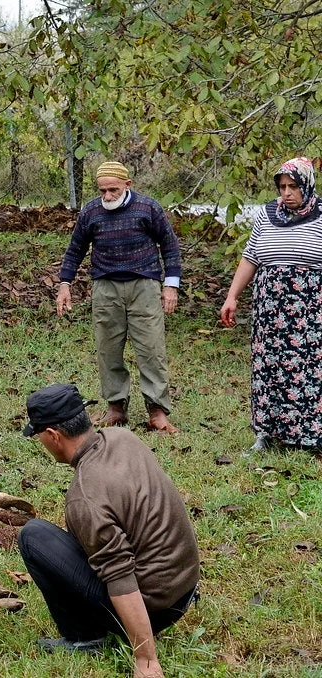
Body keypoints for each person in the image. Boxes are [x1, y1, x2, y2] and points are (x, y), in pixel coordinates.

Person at [18, 383, 200, 678]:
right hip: (184, 589)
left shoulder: (85, 497)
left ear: (53, 435)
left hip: (154, 607)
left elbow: (119, 575)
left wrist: (146, 660)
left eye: (38, 436)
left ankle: (85, 636)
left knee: (34, 536)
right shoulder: (122, 438)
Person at [56, 161, 182, 433]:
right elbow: (75, 248)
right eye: (103, 190)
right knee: (108, 349)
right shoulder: (91, 211)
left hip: (144, 285)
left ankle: (157, 411)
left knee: (151, 349)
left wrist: (170, 286)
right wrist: (64, 283)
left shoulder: (148, 207)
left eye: (113, 189)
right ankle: (115, 407)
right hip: (106, 287)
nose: (108, 196)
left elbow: (169, 245)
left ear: (128, 185)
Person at [221, 157, 322, 451]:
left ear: (307, 184)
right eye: (282, 187)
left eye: (293, 186)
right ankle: (266, 433)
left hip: (310, 312)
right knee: (269, 368)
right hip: (269, 310)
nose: (286, 193)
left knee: (308, 370)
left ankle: (309, 436)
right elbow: (251, 257)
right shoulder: (266, 215)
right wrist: (232, 296)